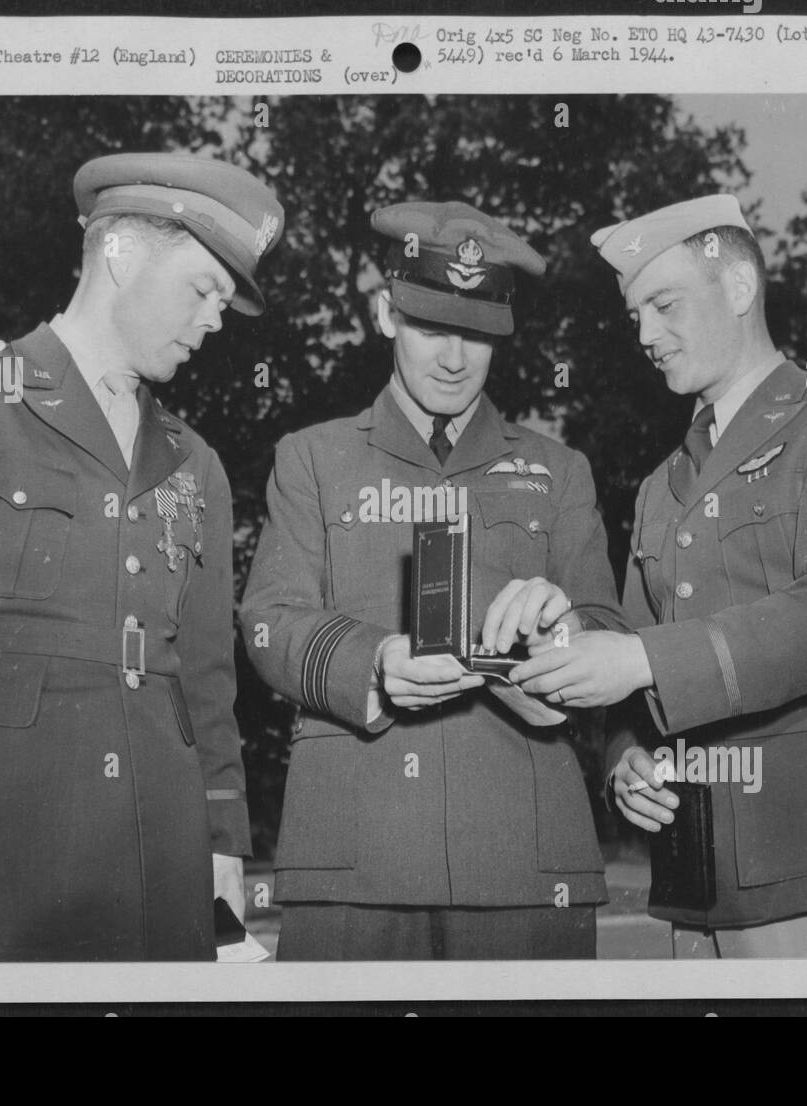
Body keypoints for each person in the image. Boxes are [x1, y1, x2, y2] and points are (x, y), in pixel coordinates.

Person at [503, 194, 807, 957]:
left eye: (663, 304)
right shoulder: (659, 487)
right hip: (698, 879)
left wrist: (640, 660)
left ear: (740, 288)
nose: (646, 335)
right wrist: (625, 762)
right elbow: (628, 648)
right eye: (635, 317)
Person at [0, 152, 284, 962]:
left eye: (226, 303)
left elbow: (204, 680)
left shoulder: (194, 464)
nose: (214, 320)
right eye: (203, 289)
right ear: (121, 256)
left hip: (161, 864)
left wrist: (223, 843)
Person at [239, 201, 624, 960]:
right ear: (384, 313)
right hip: (354, 862)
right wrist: (374, 661)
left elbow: (610, 633)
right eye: (432, 327)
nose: (455, 357)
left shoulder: (559, 471)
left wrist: (566, 636)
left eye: (478, 334)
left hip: (523, 864)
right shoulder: (313, 459)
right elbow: (270, 622)